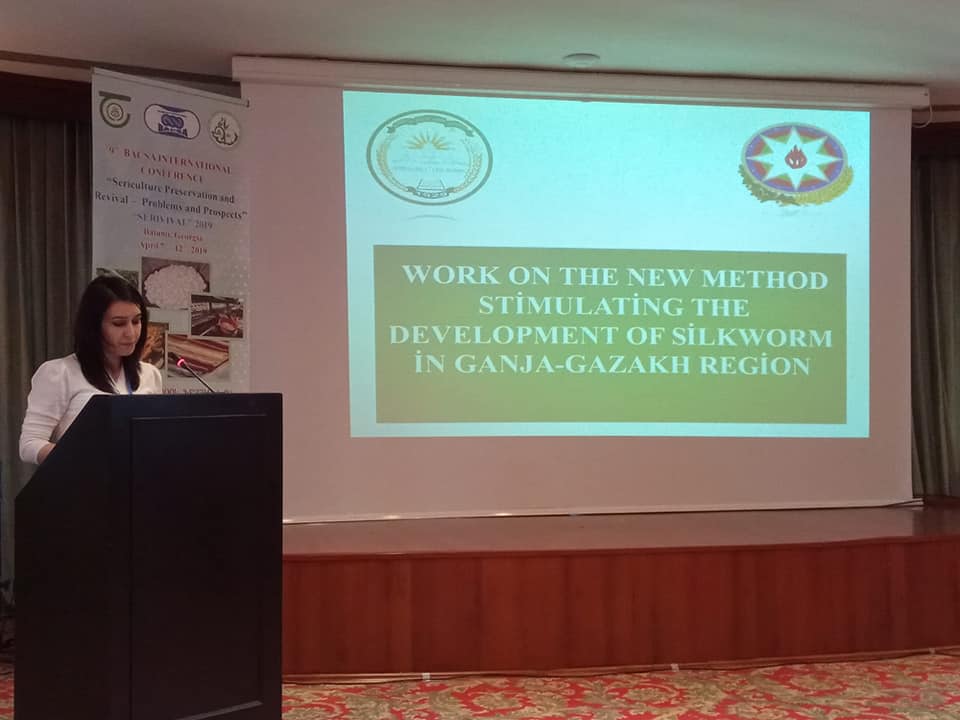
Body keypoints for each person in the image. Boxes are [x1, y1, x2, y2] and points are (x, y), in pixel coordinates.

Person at [18, 275, 163, 465]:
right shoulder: (59, 373)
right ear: (94, 326)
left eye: (136, 321)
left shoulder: (150, 374)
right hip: (83, 480)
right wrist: (82, 459)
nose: (131, 333)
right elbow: (29, 445)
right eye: (118, 323)